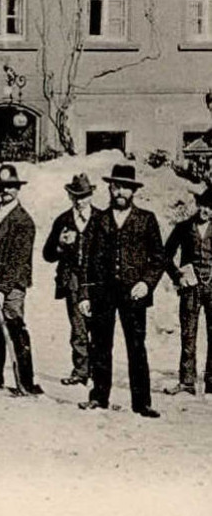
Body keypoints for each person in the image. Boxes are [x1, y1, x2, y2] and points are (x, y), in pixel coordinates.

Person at [79, 164, 165, 418]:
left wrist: (147, 283)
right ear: (110, 188)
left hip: (134, 293)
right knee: (101, 345)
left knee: (136, 346)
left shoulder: (146, 219)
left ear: (133, 191)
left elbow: (158, 258)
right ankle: (98, 397)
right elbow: (87, 260)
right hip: (103, 292)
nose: (120, 192)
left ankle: (142, 403)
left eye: (125, 187)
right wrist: (85, 293)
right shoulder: (99, 219)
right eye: (116, 186)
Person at [0, 164, 41, 395]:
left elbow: (18, 261)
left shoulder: (24, 221)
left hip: (11, 286)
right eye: (2, 187)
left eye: (11, 187)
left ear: (18, 189)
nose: (6, 191)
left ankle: (26, 381)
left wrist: (3, 290)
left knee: (15, 328)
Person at [43, 173, 97, 386]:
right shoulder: (63, 220)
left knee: (99, 326)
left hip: (97, 280)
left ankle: (97, 370)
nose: (80, 201)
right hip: (72, 279)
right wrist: (60, 245)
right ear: (69, 197)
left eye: (84, 196)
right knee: (78, 327)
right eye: (75, 196)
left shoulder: (102, 218)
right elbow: (47, 254)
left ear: (91, 195)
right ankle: (81, 370)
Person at [161, 186, 212, 396]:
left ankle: (211, 381)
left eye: (210, 207)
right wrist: (177, 276)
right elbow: (165, 255)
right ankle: (187, 381)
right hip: (190, 288)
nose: (205, 210)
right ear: (196, 205)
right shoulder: (183, 227)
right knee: (188, 333)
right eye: (202, 205)